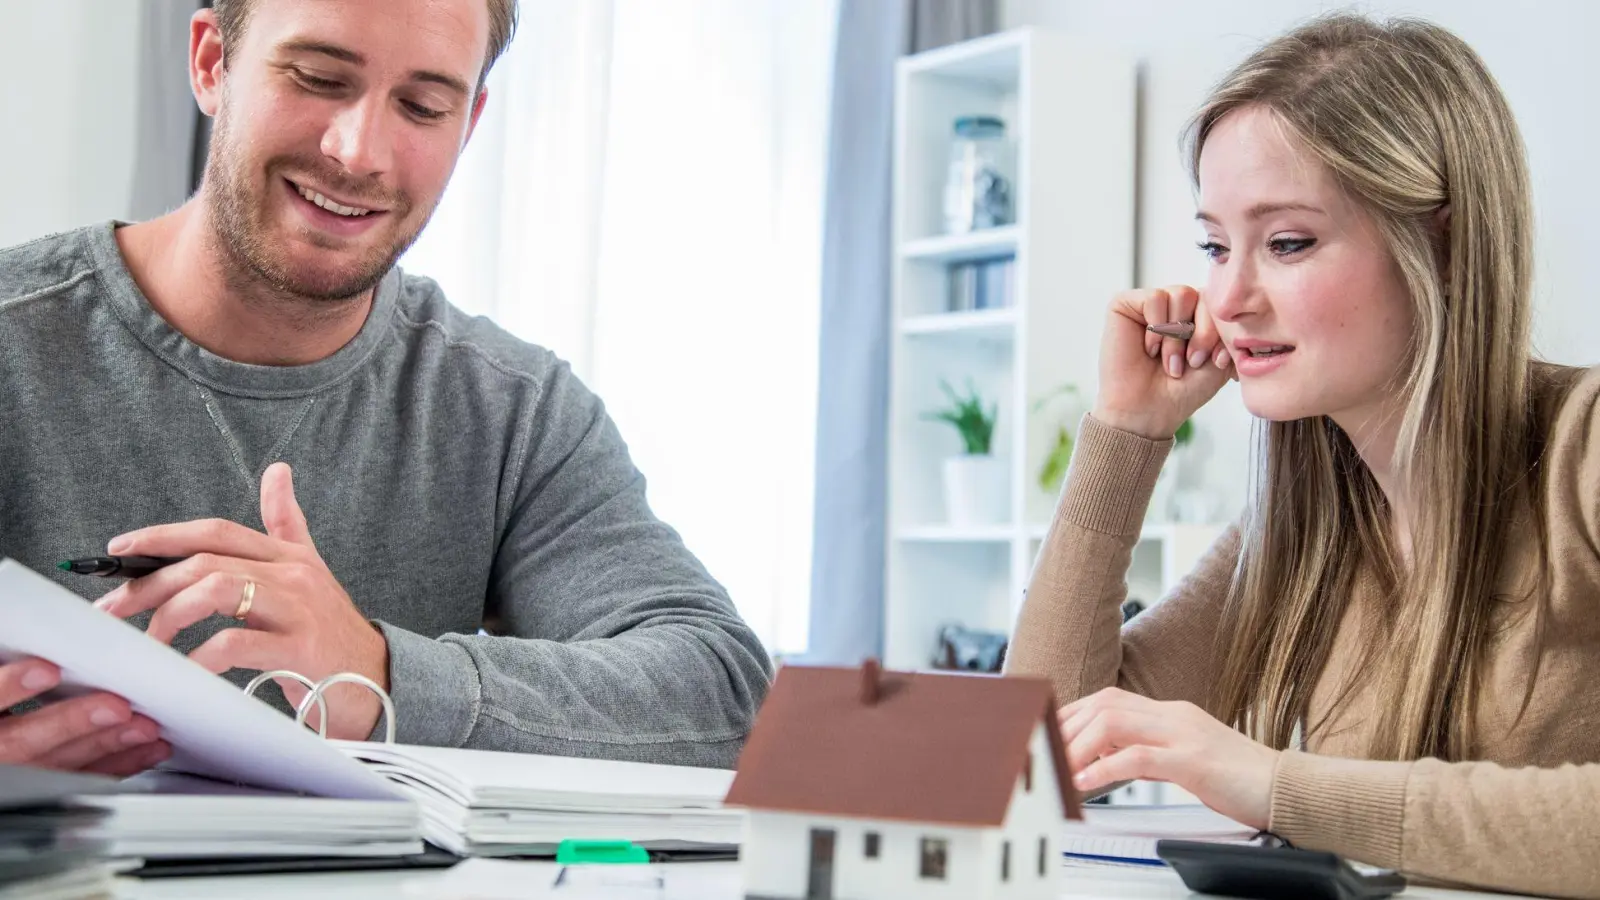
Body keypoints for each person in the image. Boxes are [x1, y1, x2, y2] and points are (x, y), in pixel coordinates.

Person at [0, 0, 771, 777]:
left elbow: (719, 699)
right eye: (317, 77)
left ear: (468, 125)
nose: (358, 151)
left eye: (423, 106)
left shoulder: (512, 411)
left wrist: (377, 675)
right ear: (211, 64)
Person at [1005, 14, 1599, 898]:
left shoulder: (1582, 451)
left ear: (1441, 246)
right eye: (1214, 246)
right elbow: (1039, 748)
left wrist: (1273, 784)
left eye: (1286, 243)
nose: (1228, 298)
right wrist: (1127, 437)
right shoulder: (1300, 524)